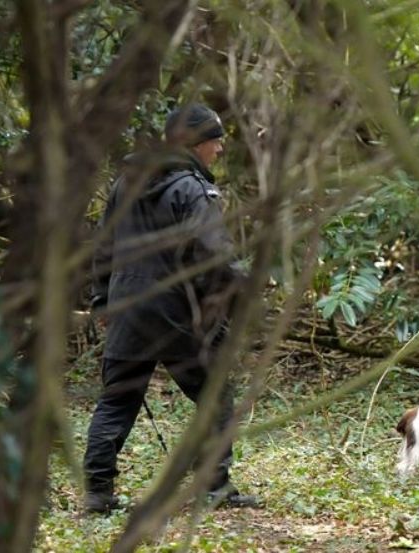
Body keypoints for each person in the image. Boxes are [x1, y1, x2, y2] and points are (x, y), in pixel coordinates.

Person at [83, 103, 261, 513]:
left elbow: (104, 247)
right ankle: (214, 487)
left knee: (117, 401)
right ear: (195, 143)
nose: (219, 149)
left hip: (128, 308)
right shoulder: (193, 190)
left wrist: (102, 300)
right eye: (214, 140)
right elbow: (213, 256)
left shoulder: (125, 184)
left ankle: (97, 494)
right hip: (179, 313)